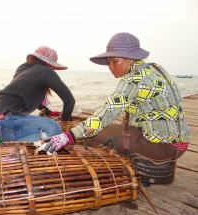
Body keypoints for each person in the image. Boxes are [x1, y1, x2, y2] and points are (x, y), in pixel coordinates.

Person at [43, 32, 190, 165]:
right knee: (105, 128)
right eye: (108, 62)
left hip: (164, 147)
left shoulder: (134, 79)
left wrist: (70, 135)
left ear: (131, 60)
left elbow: (109, 111)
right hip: (179, 141)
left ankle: (144, 162)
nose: (111, 67)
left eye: (115, 61)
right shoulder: (155, 68)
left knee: (91, 134)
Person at [0, 46, 75, 142]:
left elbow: (25, 95)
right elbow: (70, 101)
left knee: (52, 125)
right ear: (49, 63)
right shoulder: (46, 71)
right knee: (55, 128)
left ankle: (14, 145)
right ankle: (12, 151)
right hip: (6, 123)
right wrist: (64, 123)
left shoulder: (23, 68)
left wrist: (48, 112)